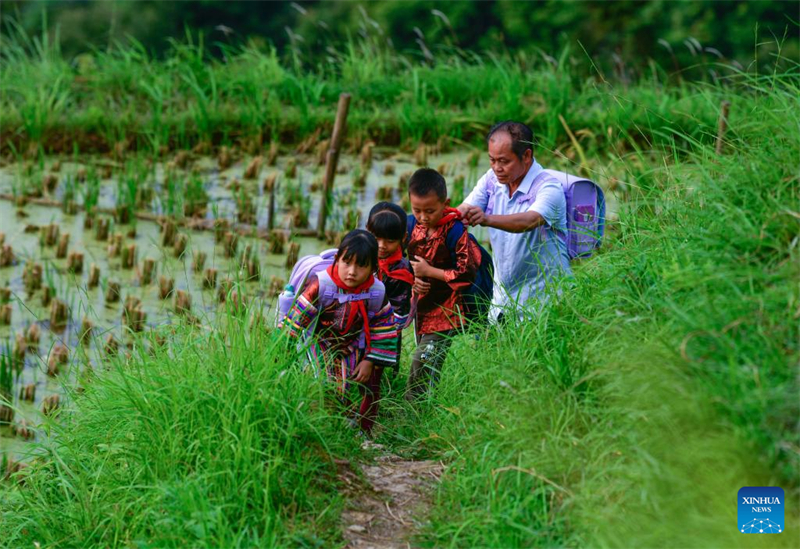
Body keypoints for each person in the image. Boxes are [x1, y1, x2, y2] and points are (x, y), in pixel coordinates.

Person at [282, 229, 398, 433]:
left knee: (346, 387)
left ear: (373, 267)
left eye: (361, 266)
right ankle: (316, 426)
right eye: (347, 262)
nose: (352, 271)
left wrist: (369, 361)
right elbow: (295, 321)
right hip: (317, 341)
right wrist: (283, 353)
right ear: (337, 259)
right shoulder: (322, 284)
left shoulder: (376, 292)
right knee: (322, 382)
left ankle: (347, 428)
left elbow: (383, 329)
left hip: (351, 344)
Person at [458, 121, 571, 322]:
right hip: (503, 301)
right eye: (492, 160)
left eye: (504, 161)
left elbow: (528, 220)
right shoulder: (491, 180)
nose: (496, 168)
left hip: (545, 302)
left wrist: (487, 219)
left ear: (526, 156)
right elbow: (464, 209)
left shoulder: (549, 188)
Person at [405, 168, 479, 400]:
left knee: (424, 357)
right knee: (429, 359)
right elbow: (397, 261)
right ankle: (428, 404)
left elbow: (466, 273)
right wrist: (414, 279)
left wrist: (430, 272)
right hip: (422, 307)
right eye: (417, 210)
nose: (424, 217)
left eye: (430, 210)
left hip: (446, 310)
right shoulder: (409, 226)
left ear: (445, 203)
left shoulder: (455, 231)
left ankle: (411, 407)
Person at [366, 202, 415, 379]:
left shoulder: (400, 272)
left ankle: (387, 387)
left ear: (403, 238)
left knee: (379, 372)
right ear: (367, 230)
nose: (381, 245)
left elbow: (399, 316)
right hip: (358, 323)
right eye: (376, 238)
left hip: (386, 328)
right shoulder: (362, 256)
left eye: (390, 240)